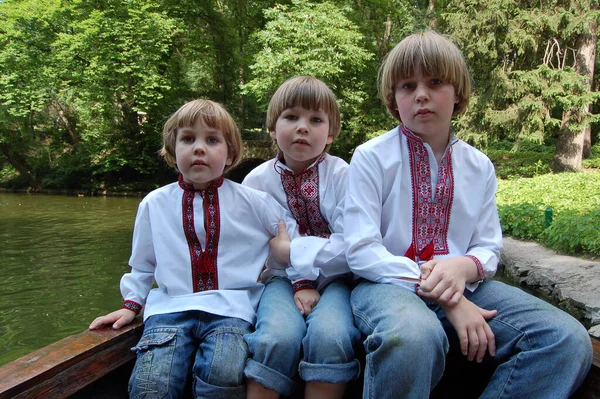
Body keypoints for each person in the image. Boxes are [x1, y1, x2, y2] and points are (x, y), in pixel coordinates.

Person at [344, 30, 593, 398]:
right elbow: (361, 249)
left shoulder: (478, 166)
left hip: (467, 286)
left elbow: (488, 246)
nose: (421, 94)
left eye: (436, 82)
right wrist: (450, 298)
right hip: (386, 286)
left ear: (458, 92)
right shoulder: (371, 157)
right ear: (393, 100)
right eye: (407, 85)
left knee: (565, 339)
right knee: (413, 337)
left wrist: (464, 268)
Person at [89, 99, 300, 399]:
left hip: (232, 310)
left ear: (230, 155)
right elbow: (143, 264)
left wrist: (290, 270)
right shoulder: (154, 203)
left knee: (223, 377)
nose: (198, 148)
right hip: (170, 309)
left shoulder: (255, 202)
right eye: (188, 139)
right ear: (173, 152)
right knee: (150, 386)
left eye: (212, 140)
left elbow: (291, 239)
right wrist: (130, 304)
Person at [242, 76, 361, 399]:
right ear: (272, 129)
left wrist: (295, 257)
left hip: (335, 278)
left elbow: (350, 241)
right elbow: (263, 246)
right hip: (280, 278)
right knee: (276, 336)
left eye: (316, 120)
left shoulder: (343, 175)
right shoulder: (257, 181)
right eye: (291, 117)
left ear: (331, 134)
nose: (302, 127)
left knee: (331, 334)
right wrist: (297, 278)